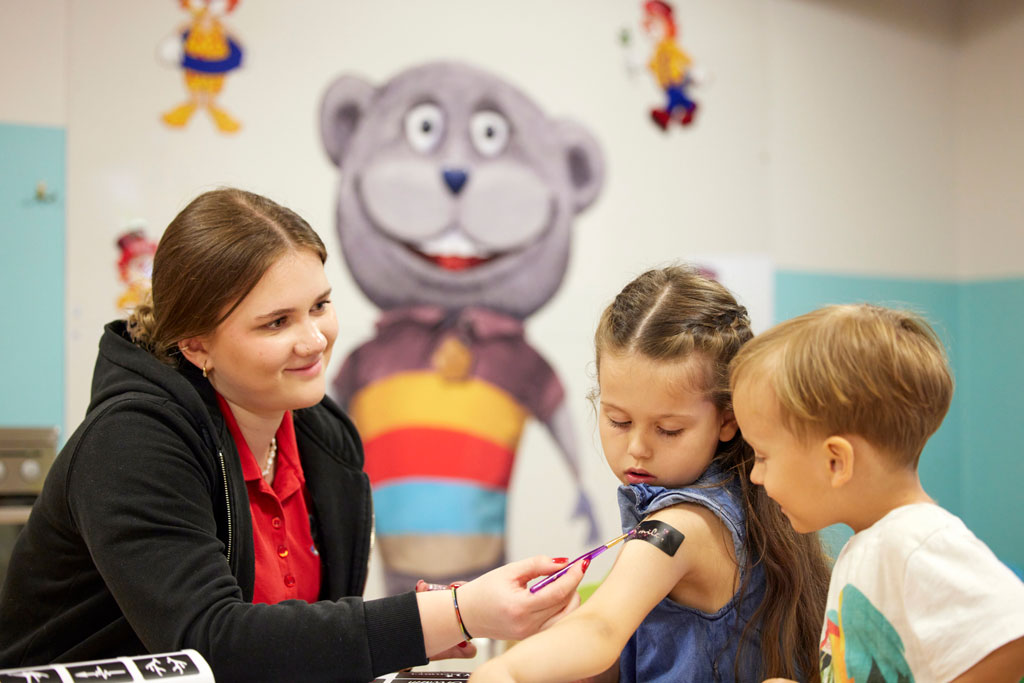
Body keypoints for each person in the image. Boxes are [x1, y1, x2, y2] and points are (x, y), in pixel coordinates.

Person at [0, 188, 584, 682]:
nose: (314, 341)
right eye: (276, 322)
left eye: (320, 306)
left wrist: (420, 623)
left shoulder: (325, 438)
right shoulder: (131, 442)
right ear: (195, 343)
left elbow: (304, 634)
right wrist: (449, 614)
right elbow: (210, 646)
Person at [471, 265, 831, 683]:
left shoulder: (679, 526)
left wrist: (505, 671)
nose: (638, 448)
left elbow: (602, 629)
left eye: (668, 429)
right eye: (619, 421)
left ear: (728, 421)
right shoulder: (738, 501)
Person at [729, 303, 1024, 683]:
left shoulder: (913, 541)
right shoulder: (873, 543)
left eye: (763, 456)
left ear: (836, 462)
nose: (755, 475)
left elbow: (1012, 634)